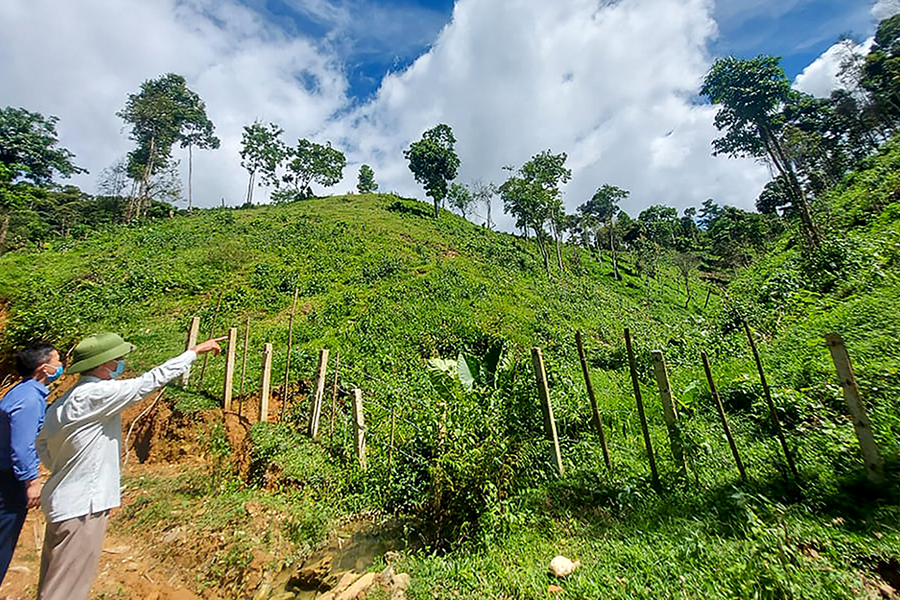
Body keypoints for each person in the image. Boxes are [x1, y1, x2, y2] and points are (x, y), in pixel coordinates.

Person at [36, 331, 224, 600]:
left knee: (54, 581)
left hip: (61, 501)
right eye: (119, 359)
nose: (121, 364)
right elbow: (148, 382)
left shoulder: (63, 402)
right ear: (105, 364)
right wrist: (192, 353)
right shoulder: (97, 395)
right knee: (67, 591)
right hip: (83, 508)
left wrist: (66, 465)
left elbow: (42, 443)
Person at [0, 343, 63, 584]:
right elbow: (22, 445)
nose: (60, 367)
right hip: (8, 480)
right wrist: (32, 482)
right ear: (43, 368)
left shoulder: (21, 392)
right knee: (3, 539)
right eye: (56, 362)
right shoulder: (29, 401)